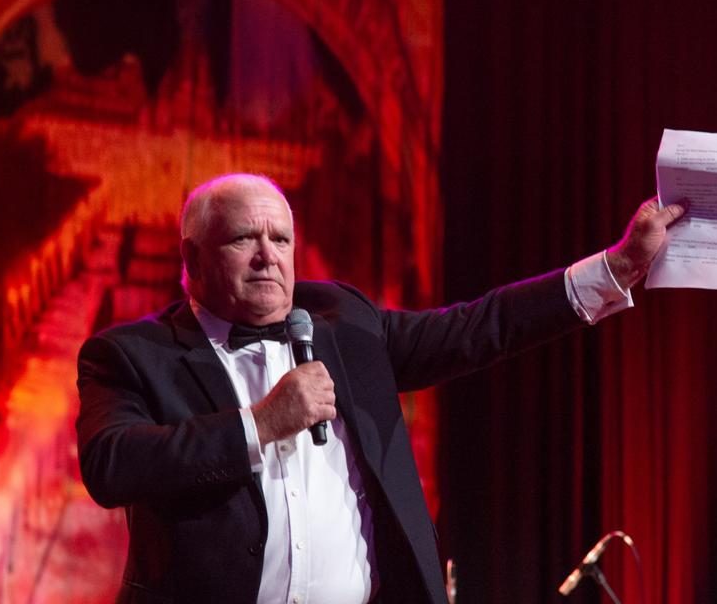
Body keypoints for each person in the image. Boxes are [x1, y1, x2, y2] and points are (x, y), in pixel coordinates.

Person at [75, 174, 685, 603]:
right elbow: (113, 464)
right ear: (193, 256)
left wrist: (618, 267)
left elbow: (480, 328)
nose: (268, 257)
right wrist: (259, 424)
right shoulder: (132, 355)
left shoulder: (344, 322)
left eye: (280, 239)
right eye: (243, 239)